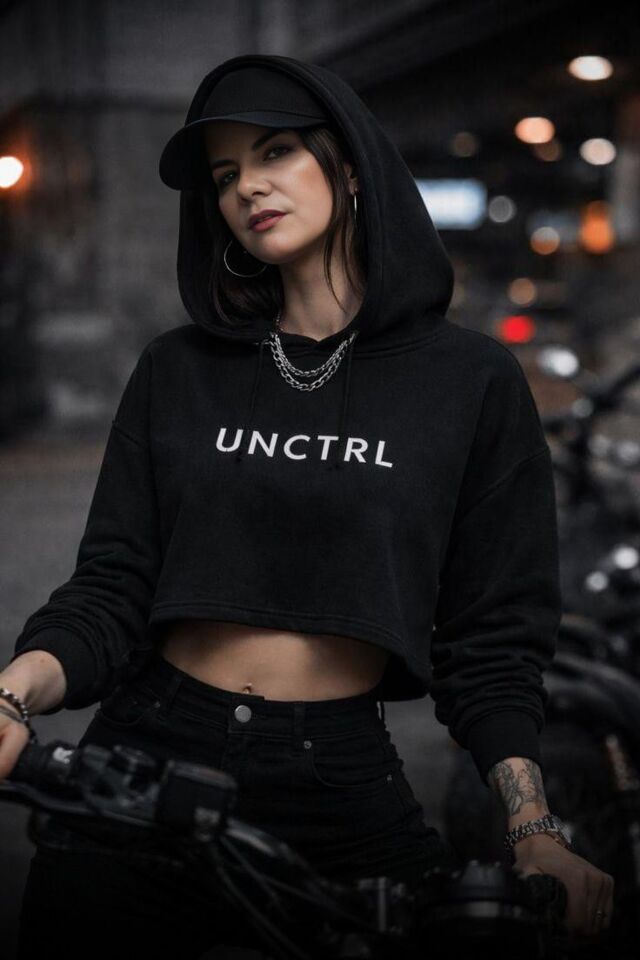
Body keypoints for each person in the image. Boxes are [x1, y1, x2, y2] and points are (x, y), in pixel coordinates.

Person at [0, 54, 613, 958]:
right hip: (150, 756)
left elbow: (493, 642)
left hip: (339, 777)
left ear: (350, 166)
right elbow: (113, 588)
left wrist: (532, 829)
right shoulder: (178, 370)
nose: (247, 187)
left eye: (276, 152)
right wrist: (11, 697)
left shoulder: (471, 383)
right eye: (224, 175)